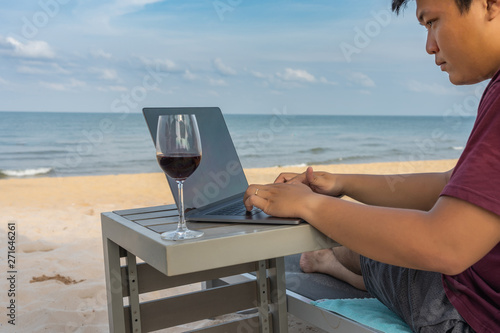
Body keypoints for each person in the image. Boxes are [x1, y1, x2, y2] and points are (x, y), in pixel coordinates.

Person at [243, 0, 500, 331]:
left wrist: (309, 205)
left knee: (369, 249)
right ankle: (340, 265)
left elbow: (444, 244)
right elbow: (450, 183)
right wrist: (343, 183)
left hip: (467, 313)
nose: (429, 45)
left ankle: (336, 261)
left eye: (433, 21)